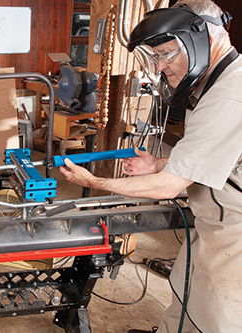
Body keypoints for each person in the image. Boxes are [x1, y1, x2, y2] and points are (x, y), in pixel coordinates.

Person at [59, 0, 242, 332]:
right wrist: (160, 162)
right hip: (212, 218)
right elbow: (219, 155)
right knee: (186, 288)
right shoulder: (214, 81)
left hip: (235, 230)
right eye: (156, 57)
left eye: (167, 54)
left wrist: (94, 182)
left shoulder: (229, 94)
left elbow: (170, 187)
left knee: (218, 313)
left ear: (204, 39)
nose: (160, 67)